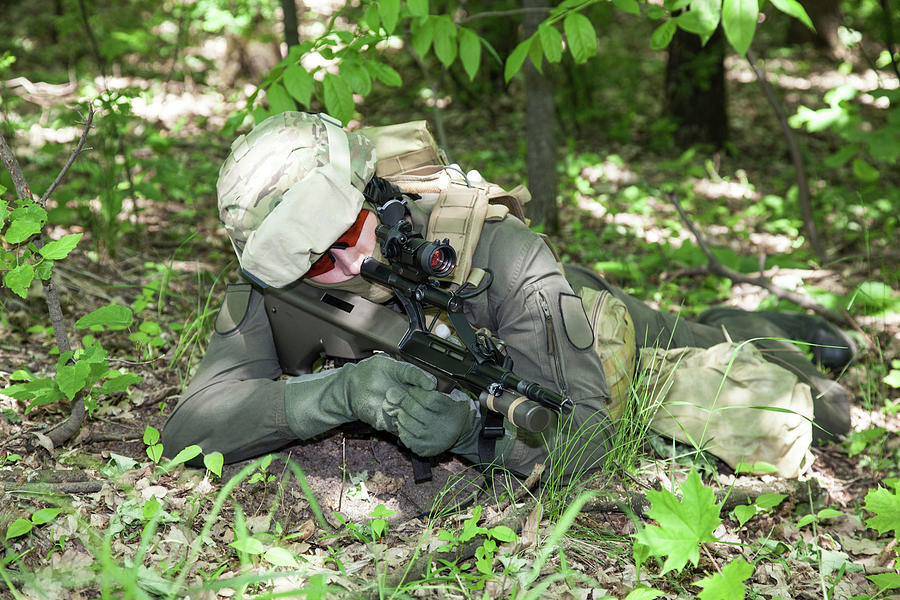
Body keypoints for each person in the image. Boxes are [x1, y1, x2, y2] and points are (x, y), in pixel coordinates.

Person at [161, 112, 855, 479]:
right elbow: (191, 427)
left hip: (576, 317)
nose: (346, 261)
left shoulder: (506, 251)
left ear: (371, 192)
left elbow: (588, 445)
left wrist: (471, 434)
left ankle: (756, 323)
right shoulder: (277, 276)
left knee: (815, 411)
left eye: (349, 230)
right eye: (315, 261)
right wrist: (335, 396)